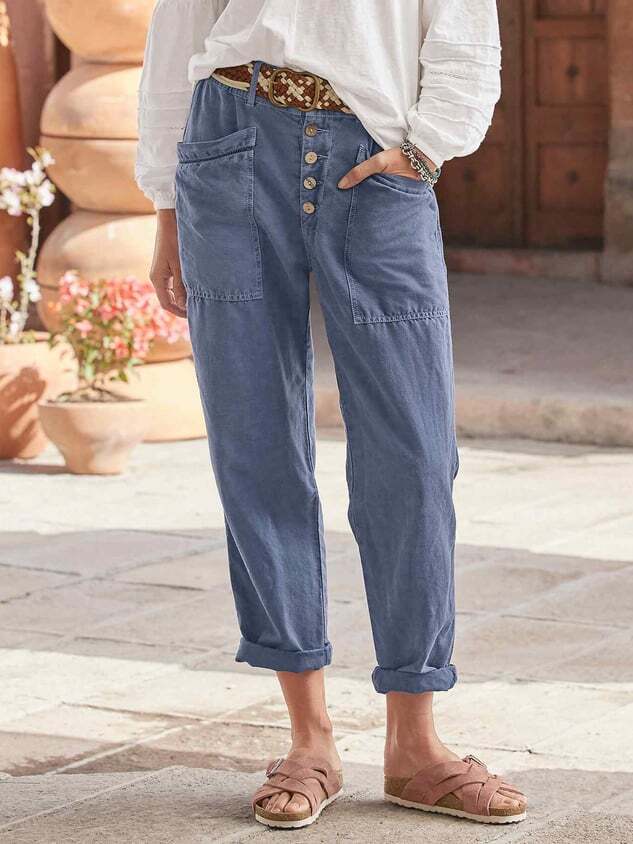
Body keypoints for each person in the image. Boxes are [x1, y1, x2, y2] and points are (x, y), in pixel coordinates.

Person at [136, 0, 527, 829]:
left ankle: (415, 745)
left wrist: (425, 147)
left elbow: (464, 37)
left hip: (376, 160)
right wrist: (166, 205)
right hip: (227, 144)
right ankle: (308, 739)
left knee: (415, 454)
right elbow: (177, 36)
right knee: (255, 443)